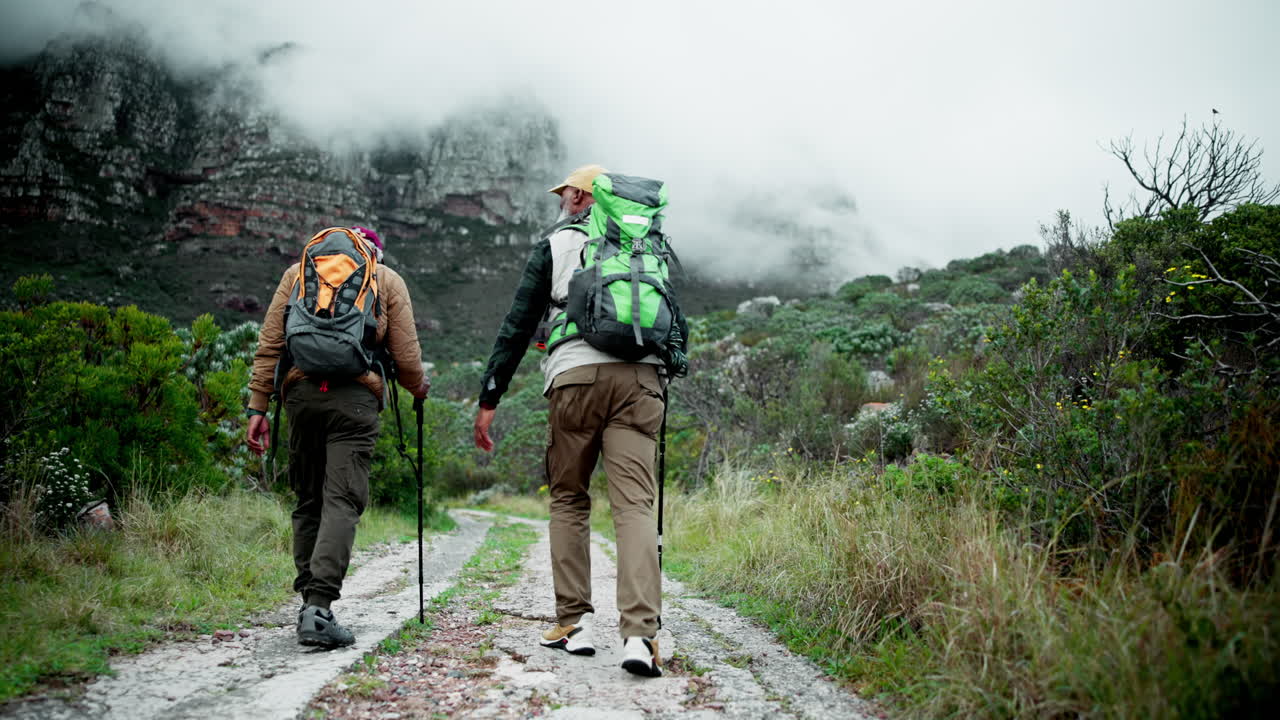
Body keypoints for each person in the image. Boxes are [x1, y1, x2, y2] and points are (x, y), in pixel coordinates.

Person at [474, 165, 671, 677]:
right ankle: (640, 635)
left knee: (568, 496)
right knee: (634, 505)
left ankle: (574, 623)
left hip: (575, 376)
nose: (562, 200)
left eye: (566, 193)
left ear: (583, 196)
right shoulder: (646, 240)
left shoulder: (557, 244)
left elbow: (518, 323)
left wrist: (490, 395)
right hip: (641, 380)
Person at [246, 225, 429, 648]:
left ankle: (307, 603)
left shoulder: (298, 275)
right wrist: (418, 388)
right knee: (341, 499)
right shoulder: (385, 279)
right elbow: (406, 357)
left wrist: (258, 407)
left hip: (302, 395)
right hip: (355, 399)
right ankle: (319, 608)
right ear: (372, 254)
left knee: (309, 498)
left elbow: (270, 343)